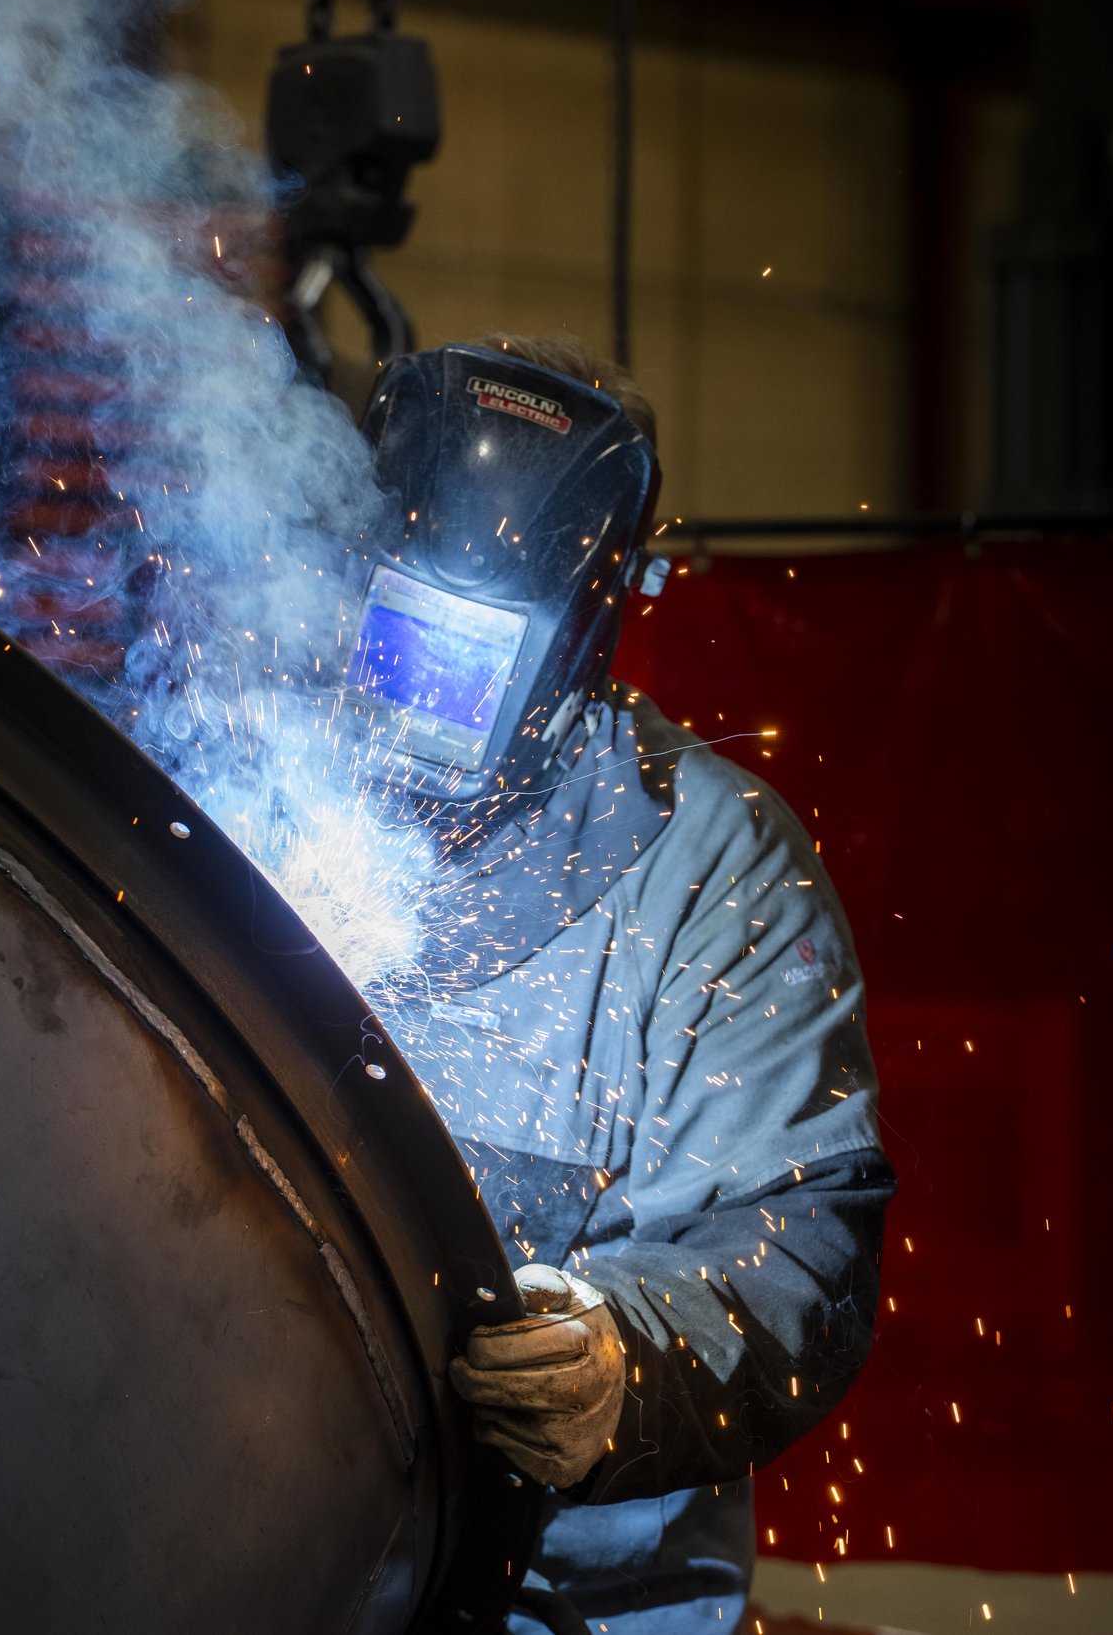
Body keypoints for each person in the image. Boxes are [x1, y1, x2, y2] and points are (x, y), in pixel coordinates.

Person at [339, 333, 894, 1633]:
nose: (417, 712)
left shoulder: (711, 871)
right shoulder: (246, 760)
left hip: (569, 1605)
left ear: (589, 626)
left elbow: (799, 1236)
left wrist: (624, 1360)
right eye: (399, 636)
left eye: (472, 661)